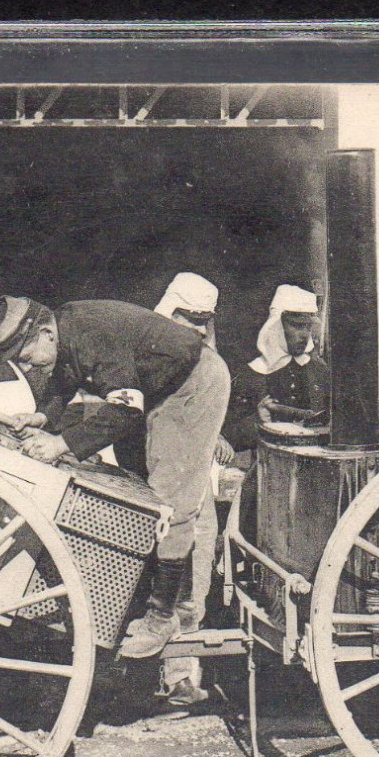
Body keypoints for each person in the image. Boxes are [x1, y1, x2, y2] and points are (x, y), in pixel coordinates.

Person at [0, 292, 232, 659]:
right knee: (139, 493)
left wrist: (62, 444)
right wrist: (43, 418)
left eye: (25, 359)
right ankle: (150, 598)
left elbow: (125, 409)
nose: (26, 369)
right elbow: (63, 376)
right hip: (156, 387)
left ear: (45, 334)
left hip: (192, 384)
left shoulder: (90, 335)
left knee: (171, 502)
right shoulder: (63, 327)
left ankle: (165, 616)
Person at [151, 272, 230, 705]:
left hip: (198, 487)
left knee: (195, 584)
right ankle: (151, 675)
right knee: (161, 584)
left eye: (205, 320)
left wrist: (213, 433)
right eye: (190, 318)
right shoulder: (155, 359)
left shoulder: (208, 366)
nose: (199, 329)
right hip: (162, 486)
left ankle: (183, 677)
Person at [223, 284, 330, 448]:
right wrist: (257, 422)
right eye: (297, 325)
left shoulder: (320, 372)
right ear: (276, 327)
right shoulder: (251, 375)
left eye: (308, 327)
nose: (304, 335)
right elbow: (227, 437)